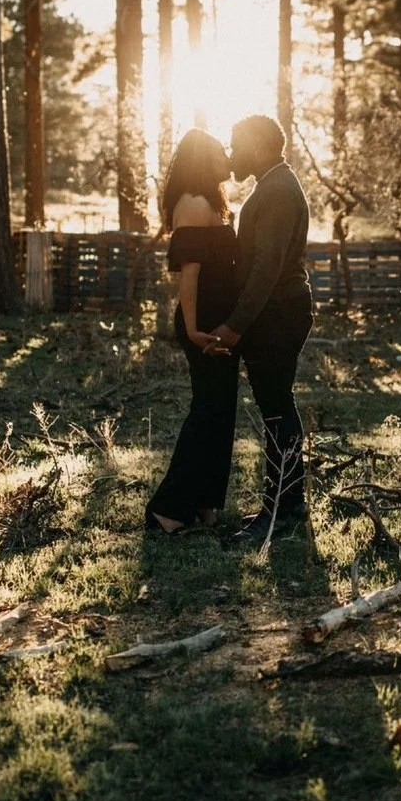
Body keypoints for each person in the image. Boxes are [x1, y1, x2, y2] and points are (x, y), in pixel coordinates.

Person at [206, 114, 313, 547]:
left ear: (256, 146)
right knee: (276, 406)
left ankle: (279, 512)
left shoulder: (279, 191)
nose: (232, 154)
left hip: (278, 313)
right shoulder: (272, 184)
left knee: (276, 408)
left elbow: (267, 268)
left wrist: (235, 325)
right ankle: (288, 505)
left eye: (236, 145)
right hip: (274, 312)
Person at [145, 129, 239, 534]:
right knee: (207, 412)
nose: (228, 159)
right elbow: (190, 275)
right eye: (220, 153)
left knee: (220, 412)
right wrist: (193, 328)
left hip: (219, 322)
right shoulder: (194, 203)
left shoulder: (211, 202)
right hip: (203, 323)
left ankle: (204, 504)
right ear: (203, 161)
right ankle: (167, 510)